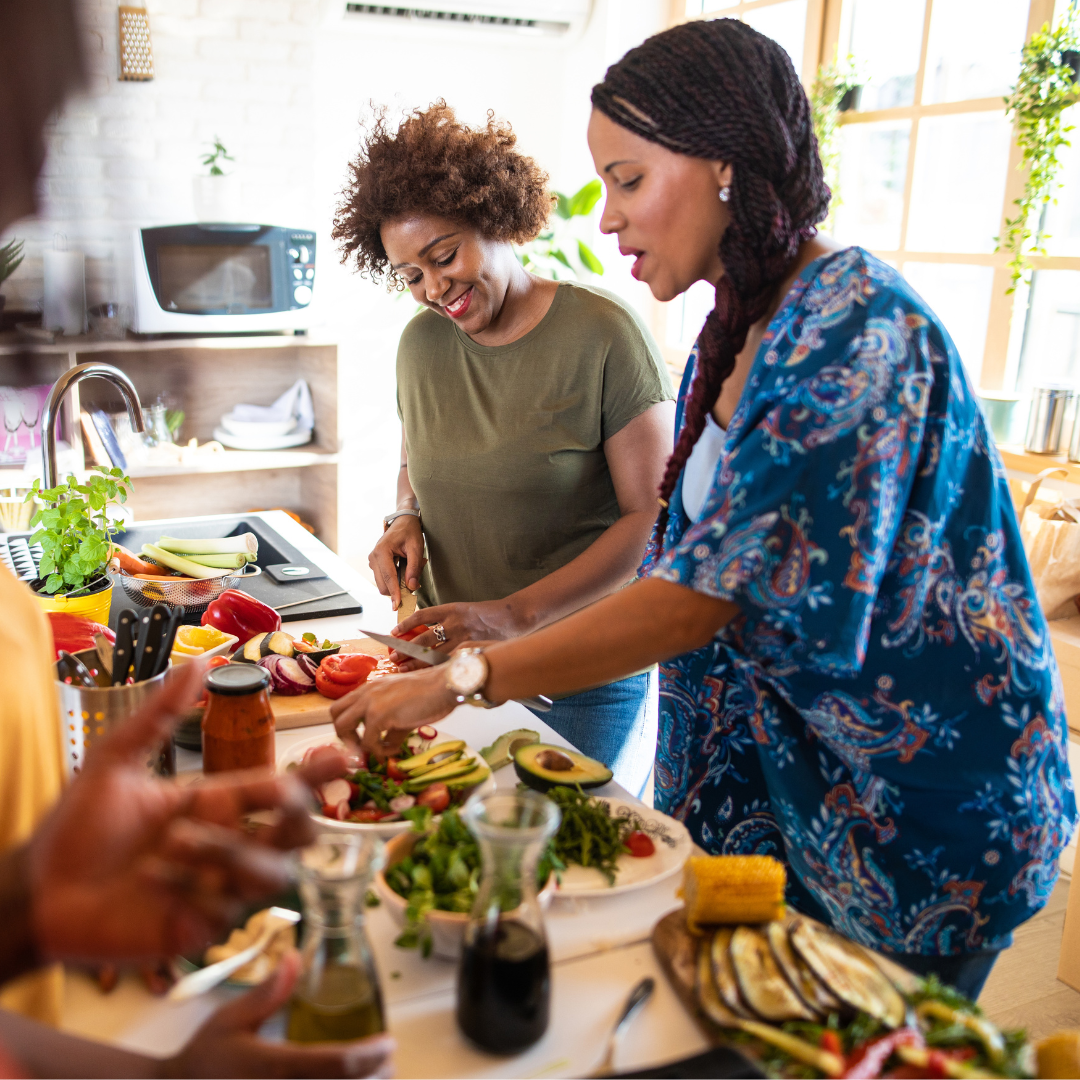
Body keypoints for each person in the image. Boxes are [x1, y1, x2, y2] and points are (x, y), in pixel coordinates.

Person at [330, 18, 1077, 1000]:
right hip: (775, 812)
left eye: (629, 180)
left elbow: (702, 593)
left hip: (906, 826)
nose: (607, 218)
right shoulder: (736, 337)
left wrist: (471, 674)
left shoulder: (859, 330)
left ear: (726, 163)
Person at [333, 102, 675, 795]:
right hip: (445, 659)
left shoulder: (604, 335)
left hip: (574, 669)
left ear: (495, 218)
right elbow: (418, 458)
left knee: (551, 851)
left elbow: (651, 518)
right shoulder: (420, 345)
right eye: (411, 275)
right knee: (445, 838)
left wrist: (515, 615)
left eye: (444, 255)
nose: (434, 289)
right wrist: (404, 515)